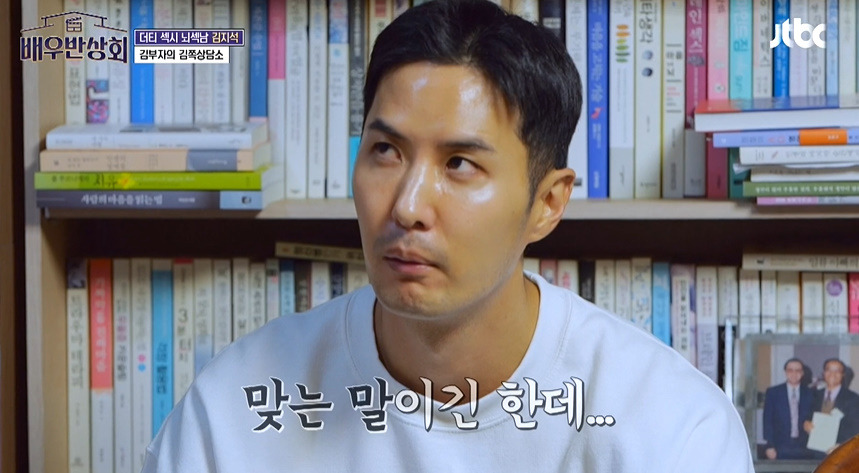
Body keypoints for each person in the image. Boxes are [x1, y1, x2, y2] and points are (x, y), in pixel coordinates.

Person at [142, 1, 754, 471]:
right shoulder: (235, 408)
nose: (407, 207)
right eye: (385, 151)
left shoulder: (670, 428)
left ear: (547, 203)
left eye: (460, 164)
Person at [804, 358, 859, 454]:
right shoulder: (814, 395)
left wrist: (840, 445)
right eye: (828, 370)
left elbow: (855, 428)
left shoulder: (853, 398)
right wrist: (805, 424)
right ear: (824, 373)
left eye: (837, 371)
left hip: (839, 451)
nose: (832, 374)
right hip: (814, 450)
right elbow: (806, 417)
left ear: (843, 374)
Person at [762, 358, 814, 459]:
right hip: (780, 446)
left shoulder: (810, 393)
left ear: (802, 373)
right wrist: (769, 446)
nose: (794, 374)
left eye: (798, 370)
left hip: (805, 446)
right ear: (785, 372)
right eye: (790, 370)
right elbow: (767, 420)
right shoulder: (773, 392)